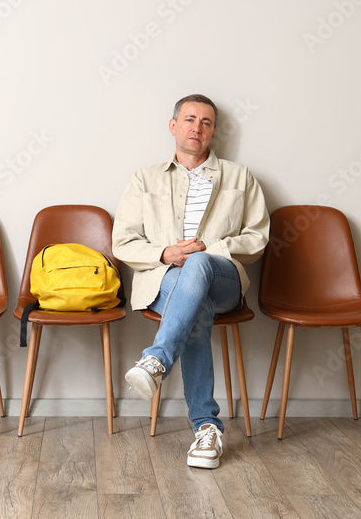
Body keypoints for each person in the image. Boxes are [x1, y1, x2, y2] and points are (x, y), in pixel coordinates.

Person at [112, 94, 269, 469]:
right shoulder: (144, 178)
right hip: (165, 282)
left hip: (224, 280)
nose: (197, 128)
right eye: (189, 119)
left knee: (198, 264)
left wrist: (207, 247)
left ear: (214, 131)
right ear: (173, 126)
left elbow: (257, 237)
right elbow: (123, 241)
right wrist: (166, 254)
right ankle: (207, 430)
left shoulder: (239, 176)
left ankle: (156, 360)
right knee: (193, 305)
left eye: (206, 122)